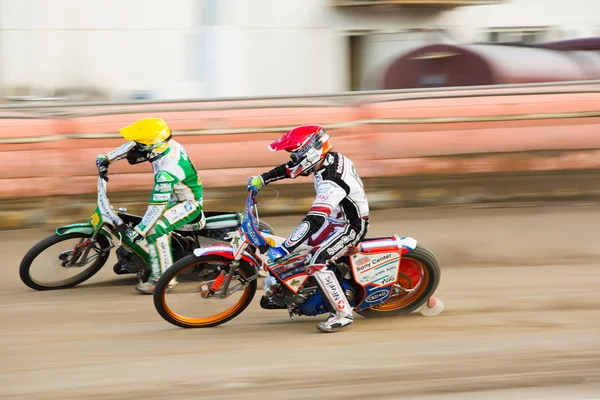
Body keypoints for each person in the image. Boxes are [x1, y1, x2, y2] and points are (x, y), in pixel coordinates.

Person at [247, 124, 369, 333]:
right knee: (300, 250)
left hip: (349, 226)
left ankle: (343, 313)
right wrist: (263, 179)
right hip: (334, 219)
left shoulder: (333, 181)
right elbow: (289, 169)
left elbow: (313, 221)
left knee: (316, 260)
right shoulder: (324, 160)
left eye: (294, 154)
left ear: (310, 151)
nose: (292, 158)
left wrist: (284, 248)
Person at [95, 117, 205, 294]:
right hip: (172, 198)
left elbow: (157, 207)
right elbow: (133, 146)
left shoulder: (168, 169)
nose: (138, 147)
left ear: (153, 147)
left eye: (142, 145)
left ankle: (163, 279)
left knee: (154, 228)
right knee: (145, 222)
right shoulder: (164, 145)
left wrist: (141, 230)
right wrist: (108, 158)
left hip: (187, 204)